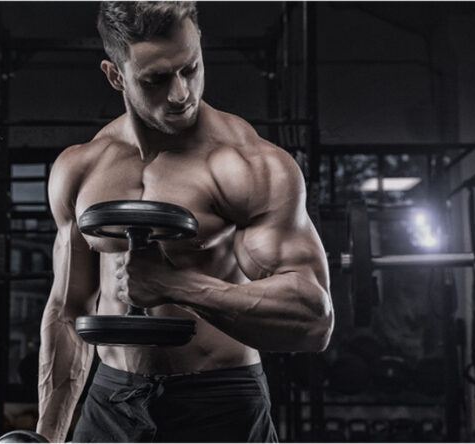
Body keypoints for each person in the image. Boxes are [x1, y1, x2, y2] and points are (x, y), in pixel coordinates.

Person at [36, 2, 333, 442]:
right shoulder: (80, 168)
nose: (180, 94)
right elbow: (68, 309)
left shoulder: (247, 164)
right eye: (155, 80)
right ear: (116, 75)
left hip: (219, 400)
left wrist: (175, 285)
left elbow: (313, 318)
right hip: (112, 400)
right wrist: (47, 435)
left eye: (190, 68)